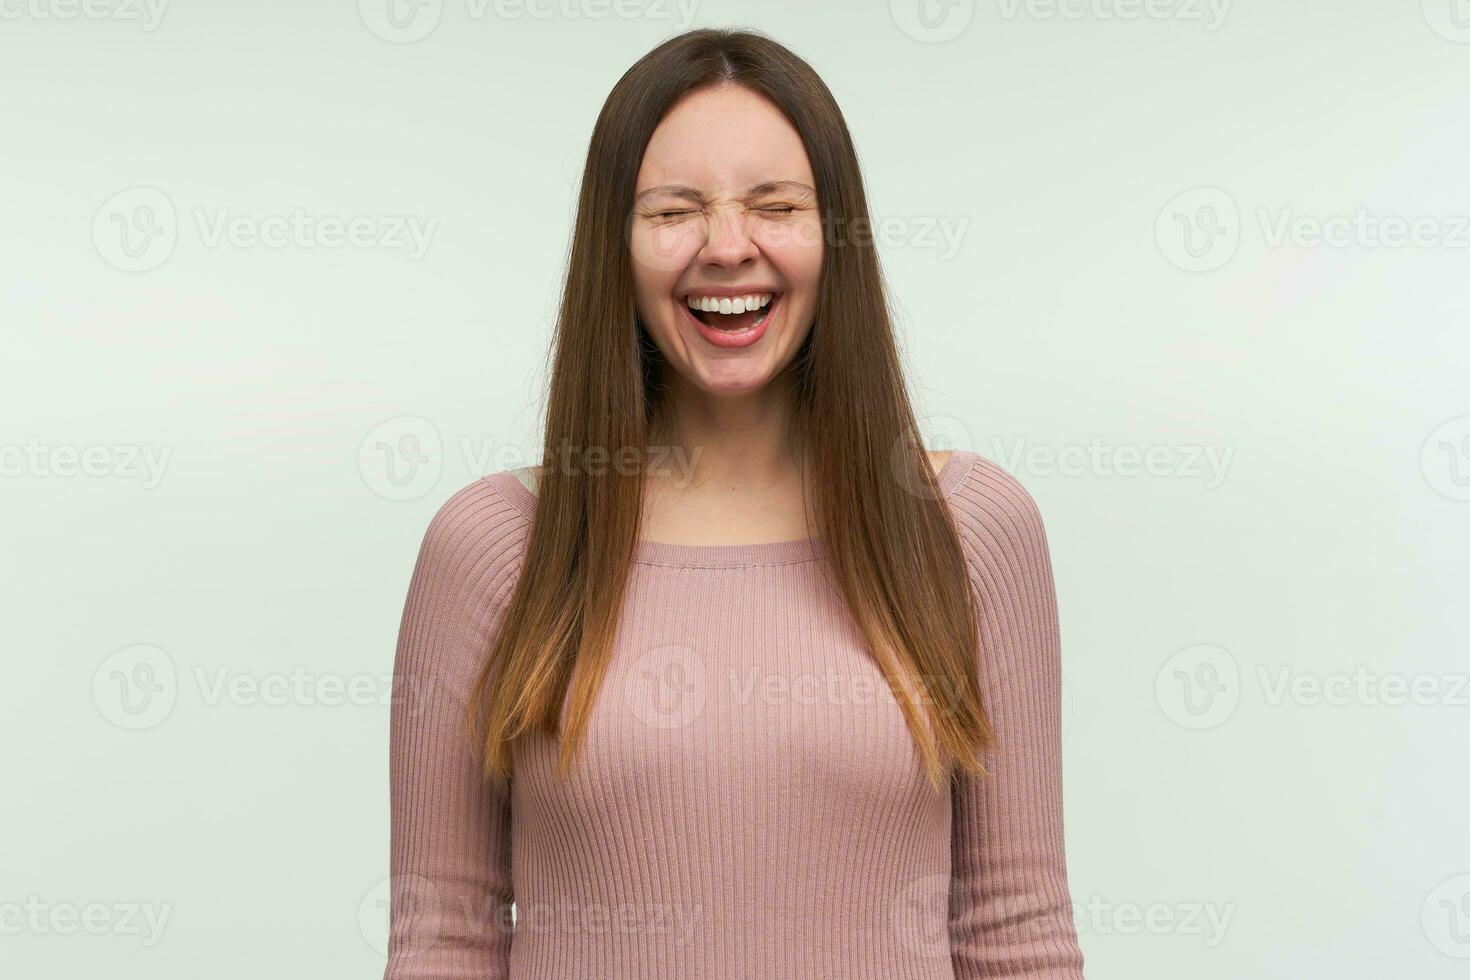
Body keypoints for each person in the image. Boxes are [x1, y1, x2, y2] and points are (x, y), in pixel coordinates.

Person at [383, 27, 1085, 980]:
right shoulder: (493, 547)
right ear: (615, 246)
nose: (727, 248)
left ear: (833, 235)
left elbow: (1015, 931)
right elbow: (446, 942)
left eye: (775, 206)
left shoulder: (967, 530)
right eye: (674, 211)